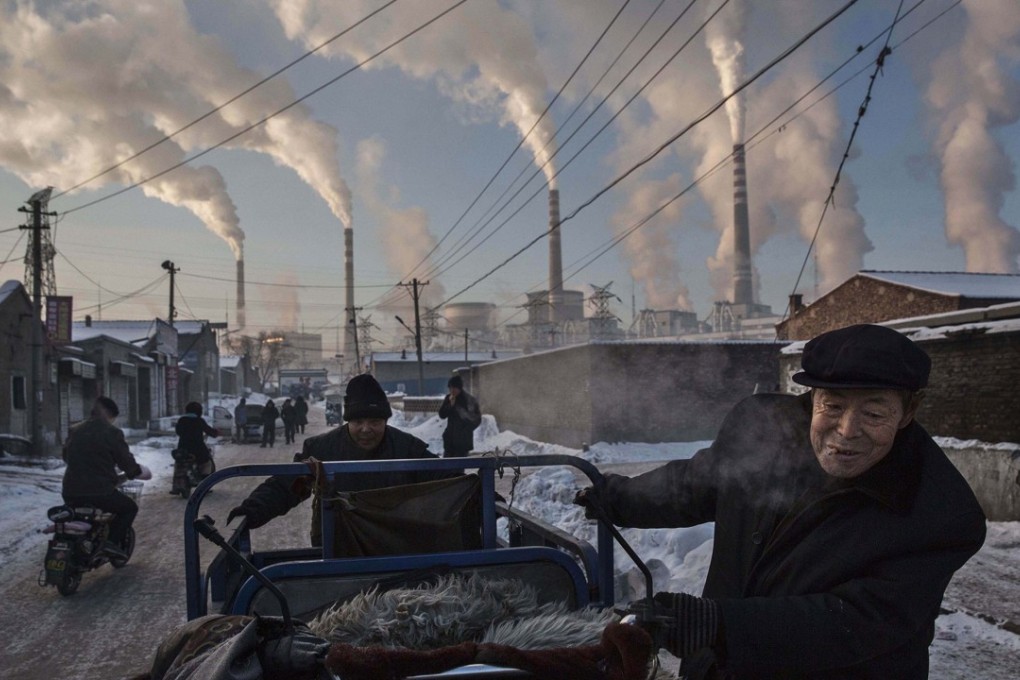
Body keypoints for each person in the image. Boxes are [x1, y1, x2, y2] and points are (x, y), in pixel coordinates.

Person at [574, 324, 987, 679]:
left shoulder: (939, 513)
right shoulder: (765, 430)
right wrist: (614, 498)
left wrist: (718, 625)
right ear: (812, 398)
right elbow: (697, 483)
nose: (846, 431)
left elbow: (858, 622)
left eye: (874, 415)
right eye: (833, 406)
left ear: (909, 410)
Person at [227, 374, 448, 546]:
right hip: (337, 553)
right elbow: (287, 486)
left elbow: (447, 482)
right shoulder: (321, 450)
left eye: (375, 421)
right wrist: (252, 510)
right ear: (347, 421)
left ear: (386, 420)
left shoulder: (408, 449)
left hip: (393, 550)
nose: (366, 429)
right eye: (358, 421)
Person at [61, 396, 152, 559]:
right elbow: (125, 461)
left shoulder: (75, 430)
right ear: (109, 415)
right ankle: (110, 543)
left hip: (70, 491)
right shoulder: (111, 432)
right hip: (99, 491)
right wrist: (134, 471)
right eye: (112, 418)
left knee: (78, 515)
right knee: (129, 508)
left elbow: (66, 457)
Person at [171, 401, 218, 496]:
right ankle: (204, 485)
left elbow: (178, 432)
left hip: (183, 449)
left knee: (179, 462)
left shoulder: (182, 420)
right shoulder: (199, 421)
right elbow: (210, 432)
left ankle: (176, 485)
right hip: (198, 449)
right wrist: (216, 432)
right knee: (206, 463)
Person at [438, 375, 482, 458]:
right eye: (450, 388)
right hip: (450, 441)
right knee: (446, 467)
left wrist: (466, 430)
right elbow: (442, 414)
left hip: (463, 442)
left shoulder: (469, 400)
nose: (452, 391)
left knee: (459, 467)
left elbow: (476, 419)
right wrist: (450, 405)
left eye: (454, 388)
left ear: (459, 388)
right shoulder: (449, 398)